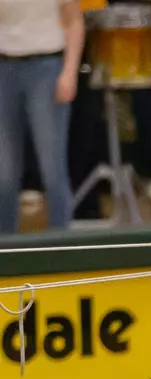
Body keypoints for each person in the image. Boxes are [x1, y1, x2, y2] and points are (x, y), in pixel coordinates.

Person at [0, 0, 82, 234]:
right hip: (4, 67)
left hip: (47, 66)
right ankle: (5, 245)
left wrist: (69, 72)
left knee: (52, 168)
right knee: (4, 173)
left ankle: (61, 241)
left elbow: (74, 21)